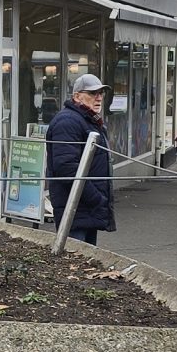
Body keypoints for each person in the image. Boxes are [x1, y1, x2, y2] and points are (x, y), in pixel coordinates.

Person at [45, 76, 115, 243]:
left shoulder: (88, 120)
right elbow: (66, 167)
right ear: (77, 96)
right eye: (92, 93)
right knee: (74, 260)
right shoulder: (68, 121)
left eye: (100, 93)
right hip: (75, 207)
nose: (98, 98)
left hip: (86, 208)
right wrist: (96, 198)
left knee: (86, 263)